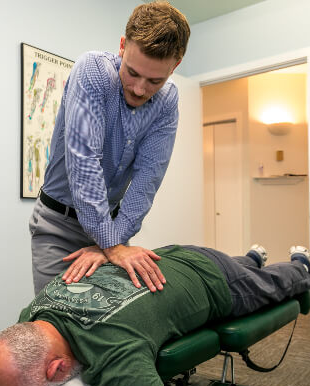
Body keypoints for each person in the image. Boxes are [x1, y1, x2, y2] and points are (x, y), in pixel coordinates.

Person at [0, 244, 310, 386]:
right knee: (237, 266)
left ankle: (302, 266)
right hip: (171, 256)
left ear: (57, 369)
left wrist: (301, 272)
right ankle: (250, 258)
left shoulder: (117, 357)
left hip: (217, 282)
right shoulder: (34, 312)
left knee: (271, 285)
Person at [29, 2, 191, 295]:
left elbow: (147, 181)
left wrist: (108, 244)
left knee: (113, 325)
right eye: (132, 73)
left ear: (175, 66)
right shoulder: (92, 71)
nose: (140, 89)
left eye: (155, 80)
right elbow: (84, 164)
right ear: (122, 46)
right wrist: (112, 245)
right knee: (56, 326)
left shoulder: (167, 102)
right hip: (59, 229)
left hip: (115, 230)